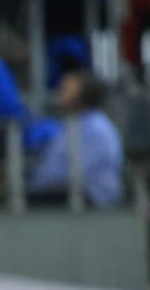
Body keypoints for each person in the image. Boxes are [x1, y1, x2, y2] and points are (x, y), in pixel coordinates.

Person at [27, 71, 124, 209]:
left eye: (67, 88)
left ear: (84, 93)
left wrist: (40, 185)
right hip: (64, 191)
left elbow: (76, 173)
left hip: (91, 196)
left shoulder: (97, 129)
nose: (60, 92)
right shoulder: (71, 125)